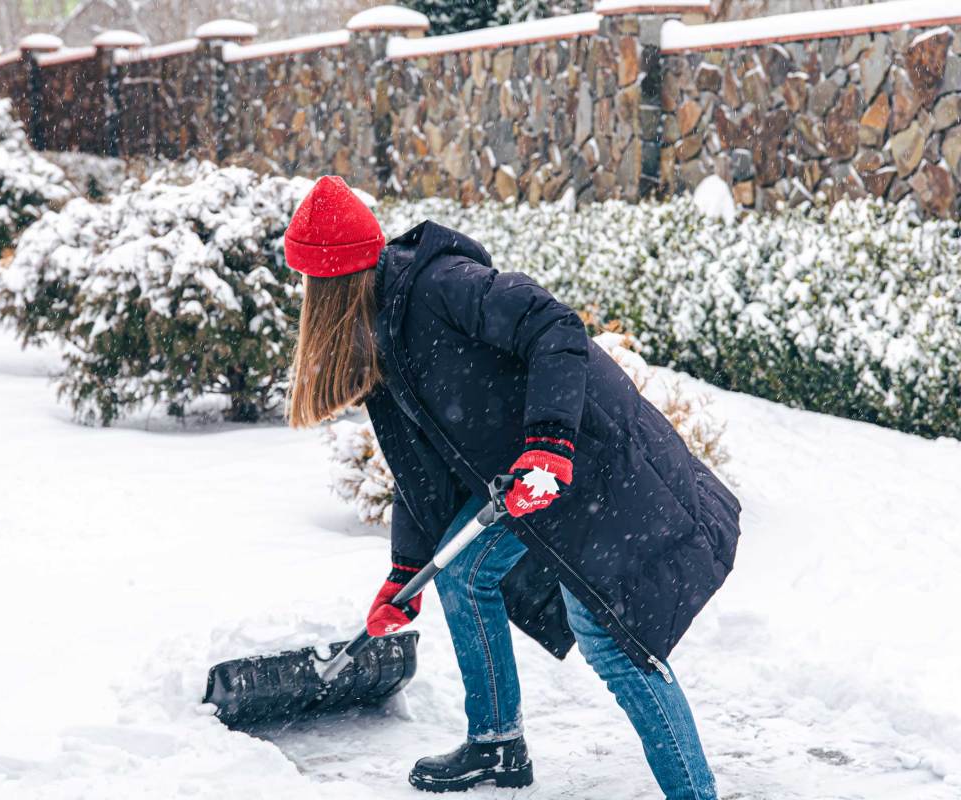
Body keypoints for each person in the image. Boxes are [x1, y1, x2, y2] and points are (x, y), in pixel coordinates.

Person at [284, 175, 742, 798]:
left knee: (611, 640)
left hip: (593, 457)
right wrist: (405, 572)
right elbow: (421, 470)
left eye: (311, 286)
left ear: (332, 283)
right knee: (465, 574)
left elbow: (555, 327)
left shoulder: (440, 286)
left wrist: (549, 445)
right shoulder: (378, 332)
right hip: (530, 475)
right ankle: (497, 745)